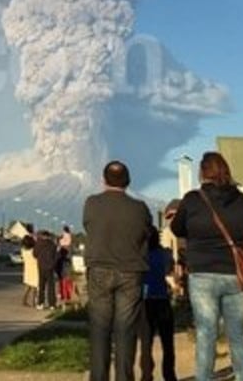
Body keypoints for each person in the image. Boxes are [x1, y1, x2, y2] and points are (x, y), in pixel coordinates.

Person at [171, 152, 243, 381]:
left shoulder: (192, 200)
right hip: (235, 274)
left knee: (207, 333)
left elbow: (177, 229)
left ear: (202, 173)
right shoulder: (242, 199)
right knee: (238, 333)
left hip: (203, 274)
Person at [83, 160, 154, 381]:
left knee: (100, 329)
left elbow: (88, 226)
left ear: (103, 180)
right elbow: (147, 232)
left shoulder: (91, 203)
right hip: (131, 272)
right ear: (128, 181)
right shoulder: (140, 208)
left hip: (99, 270)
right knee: (126, 331)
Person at [138, 226, 177, 381]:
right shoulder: (165, 255)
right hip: (162, 300)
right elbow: (170, 273)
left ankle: (146, 375)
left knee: (146, 344)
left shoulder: (140, 257)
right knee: (167, 344)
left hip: (145, 302)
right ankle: (169, 375)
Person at [34, 230, 59, 310]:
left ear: (42, 236)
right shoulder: (52, 245)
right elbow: (56, 256)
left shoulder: (38, 244)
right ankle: (52, 304)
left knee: (41, 286)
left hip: (41, 267)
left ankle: (40, 303)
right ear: (49, 236)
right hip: (50, 268)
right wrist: (53, 264)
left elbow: (35, 254)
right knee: (51, 286)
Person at [21, 234, 39, 307]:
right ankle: (33, 302)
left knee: (28, 286)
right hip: (35, 268)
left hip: (27, 268)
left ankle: (24, 300)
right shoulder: (33, 250)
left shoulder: (23, 250)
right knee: (35, 286)